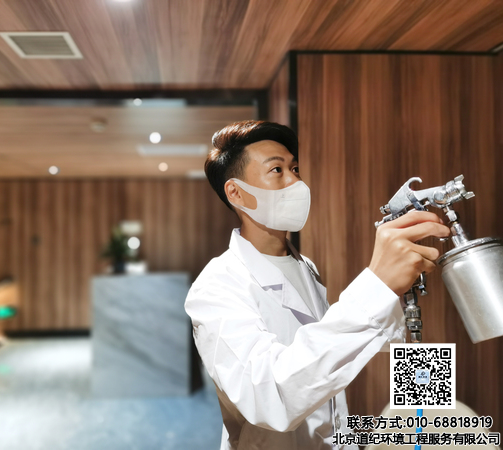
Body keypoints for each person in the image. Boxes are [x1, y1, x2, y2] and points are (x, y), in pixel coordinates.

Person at [184, 120, 450, 450]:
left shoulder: (304, 266)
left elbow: (329, 354)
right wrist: (376, 285)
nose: (296, 181)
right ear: (236, 193)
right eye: (277, 170)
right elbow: (268, 396)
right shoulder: (217, 286)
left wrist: (390, 292)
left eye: (295, 168)